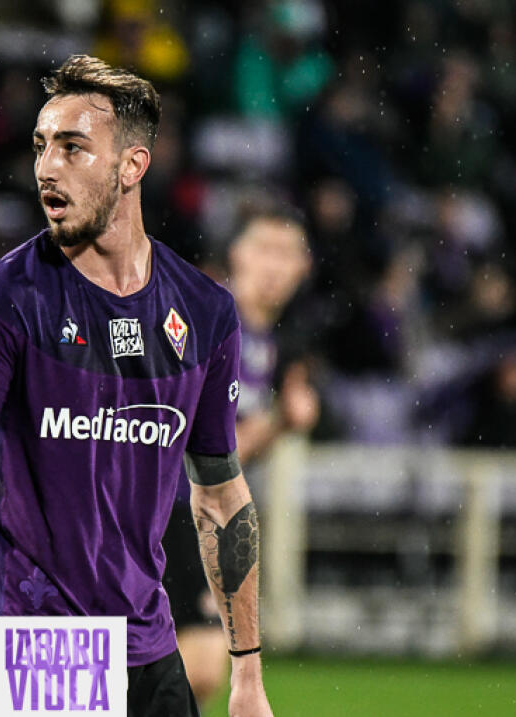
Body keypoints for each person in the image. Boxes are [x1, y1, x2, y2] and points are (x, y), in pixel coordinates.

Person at [0, 55, 274, 717]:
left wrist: (247, 670)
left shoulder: (203, 311)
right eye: (41, 146)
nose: (47, 167)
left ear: (132, 166)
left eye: (73, 147)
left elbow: (222, 496)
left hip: (150, 641)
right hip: (41, 642)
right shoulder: (6, 298)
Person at [163, 202, 319, 709]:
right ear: (238, 255)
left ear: (304, 265)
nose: (274, 266)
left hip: (198, 513)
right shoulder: (202, 322)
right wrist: (280, 422)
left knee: (185, 663)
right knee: (203, 661)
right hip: (166, 506)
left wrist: (280, 424)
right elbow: (201, 447)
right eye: (264, 249)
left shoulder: (281, 346)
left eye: (286, 253)